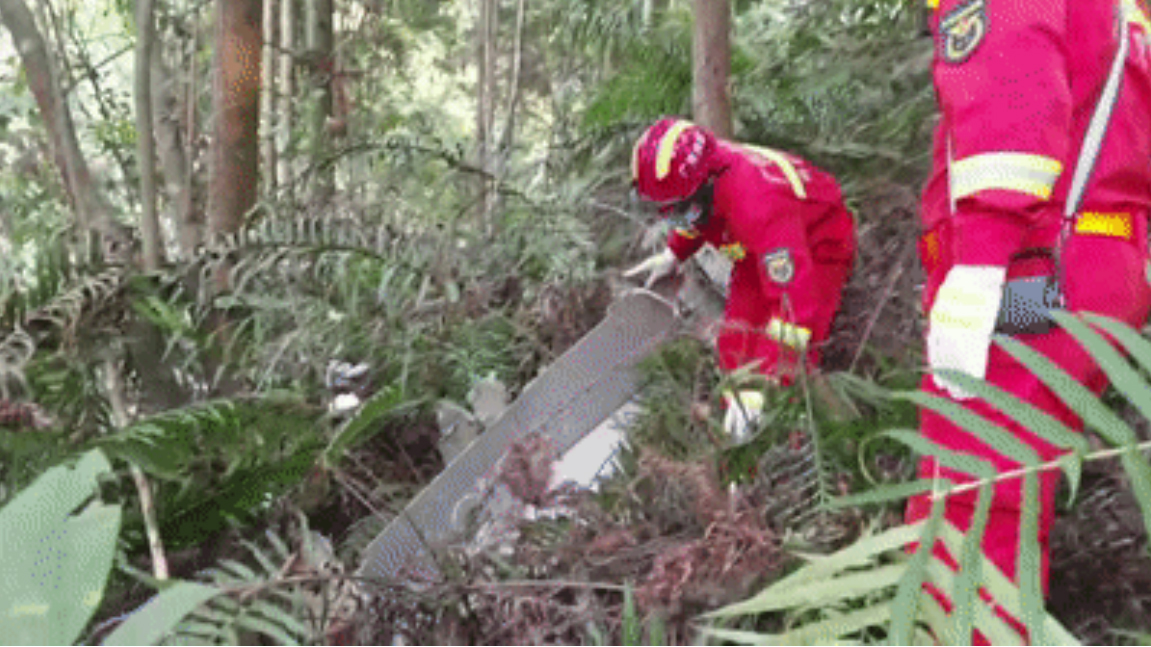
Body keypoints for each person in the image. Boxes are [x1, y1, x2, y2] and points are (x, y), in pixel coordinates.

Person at [907, 0, 1151, 636]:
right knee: (1003, 490)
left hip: (1034, 270)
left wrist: (982, 259)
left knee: (970, 506)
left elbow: (1011, 93)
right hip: (1096, 260)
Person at [625, 118, 856, 440]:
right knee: (734, 342)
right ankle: (738, 435)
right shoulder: (705, 181)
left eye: (674, 209)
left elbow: (796, 305)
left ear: (702, 189)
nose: (670, 218)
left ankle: (789, 434)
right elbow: (697, 220)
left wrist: (766, 383)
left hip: (817, 246)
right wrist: (674, 253)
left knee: (790, 349)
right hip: (751, 251)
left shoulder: (758, 204)